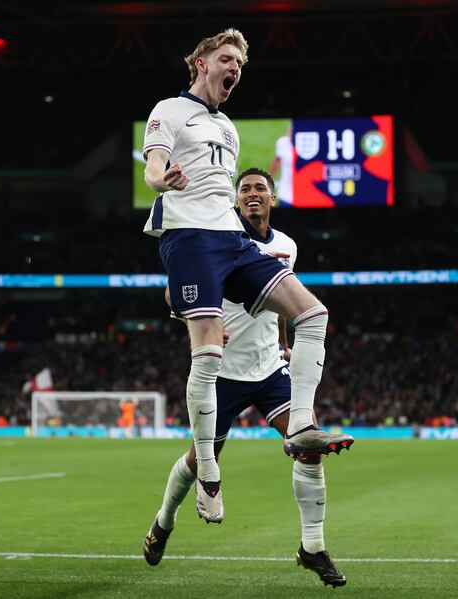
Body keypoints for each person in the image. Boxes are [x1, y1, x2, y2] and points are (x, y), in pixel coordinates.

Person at [142, 29, 353, 525]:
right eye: (226, 58)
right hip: (190, 237)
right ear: (200, 63)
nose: (234, 67)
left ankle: (301, 423)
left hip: (231, 241)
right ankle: (209, 472)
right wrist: (160, 179)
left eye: (239, 62)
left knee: (314, 313)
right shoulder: (169, 111)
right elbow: (153, 165)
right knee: (209, 350)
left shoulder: (230, 129)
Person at [143, 168, 346, 587]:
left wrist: (287, 342)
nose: (252, 195)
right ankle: (163, 522)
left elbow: (282, 298)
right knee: (201, 460)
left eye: (260, 189)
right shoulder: (213, 236)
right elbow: (174, 290)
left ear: (273, 199)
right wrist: (198, 320)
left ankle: (313, 547)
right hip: (223, 374)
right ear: (235, 201)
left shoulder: (287, 246)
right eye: (245, 190)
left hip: (270, 368)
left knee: (307, 446)